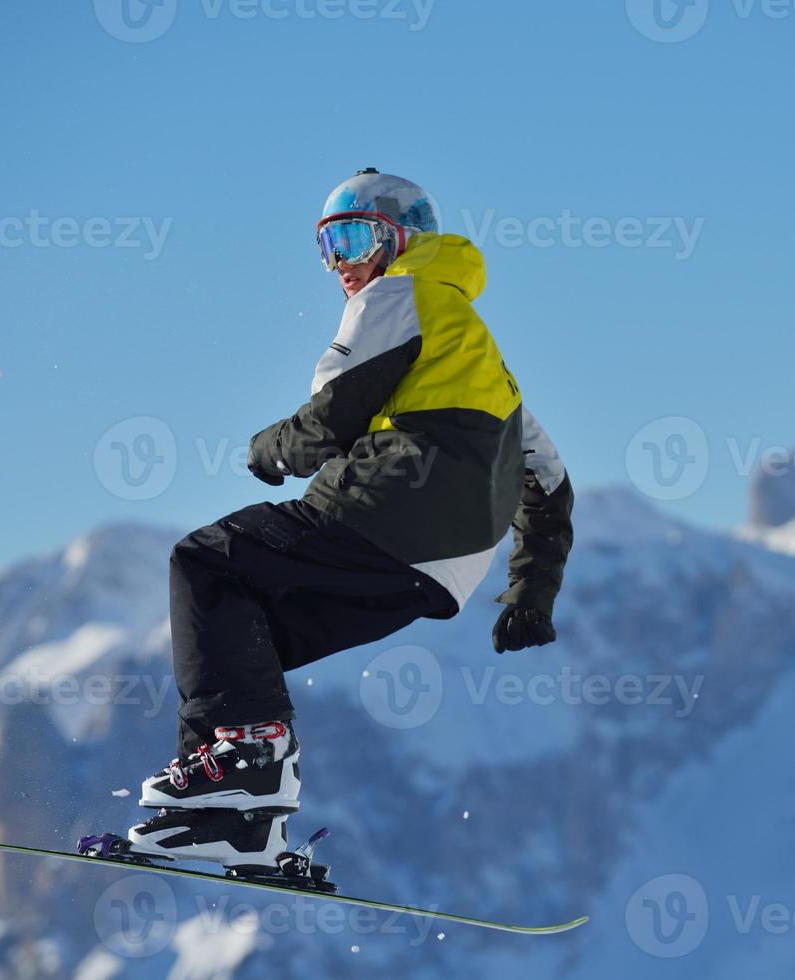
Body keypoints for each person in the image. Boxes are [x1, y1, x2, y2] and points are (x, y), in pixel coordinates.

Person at [127, 169, 574, 870]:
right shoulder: (490, 365)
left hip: (384, 516)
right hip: (437, 575)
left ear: (401, 243)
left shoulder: (397, 293)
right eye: (328, 246)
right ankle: (239, 818)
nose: (341, 265)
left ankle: (244, 768)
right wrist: (530, 596)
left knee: (208, 561)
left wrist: (267, 449)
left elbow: (328, 420)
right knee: (245, 633)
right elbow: (548, 484)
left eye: (356, 238)